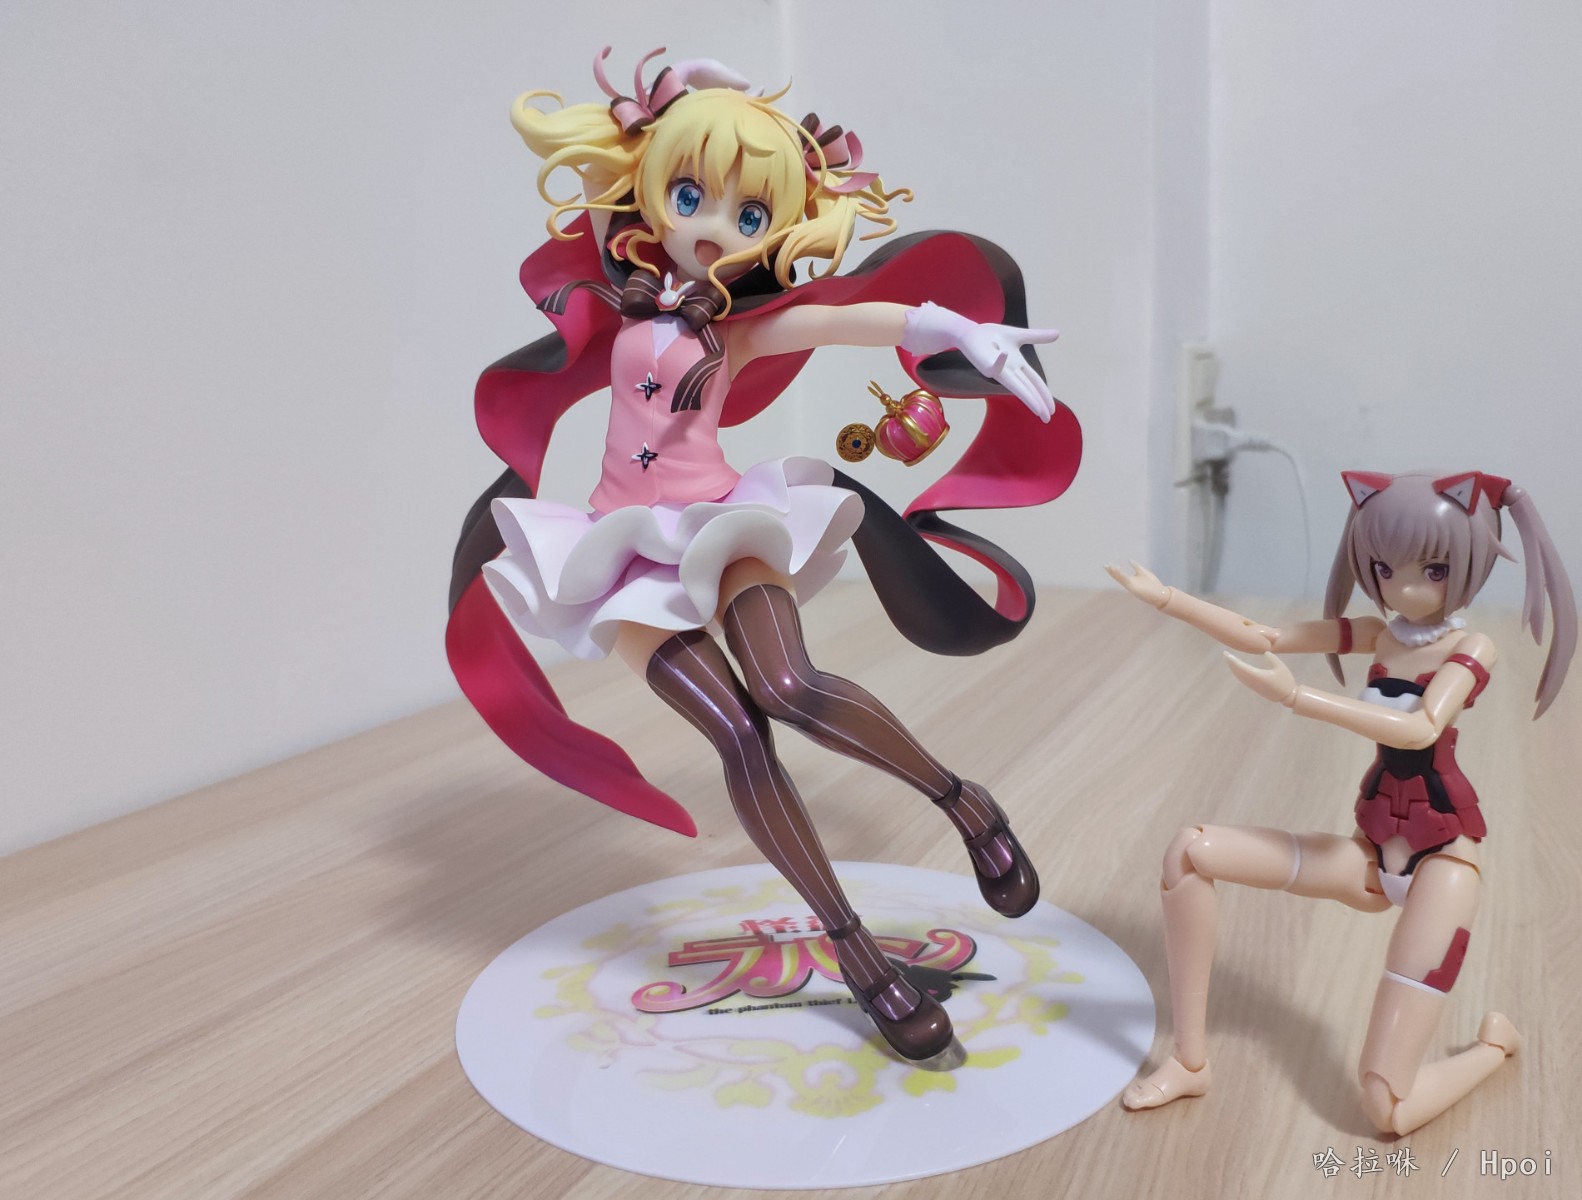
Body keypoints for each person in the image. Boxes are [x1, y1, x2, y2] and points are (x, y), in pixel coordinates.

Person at [446, 47, 1083, 1066]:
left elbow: (839, 318)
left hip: (719, 522)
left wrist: (956, 328)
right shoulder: (622, 295)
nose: (709, 226)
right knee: (739, 738)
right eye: (688, 194)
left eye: (747, 213)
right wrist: (688, 101)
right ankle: (858, 955)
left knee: (789, 687)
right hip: (620, 553)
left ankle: (963, 802)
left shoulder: (735, 328)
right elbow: (609, 201)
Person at [1108, 469, 1574, 1133]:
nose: (1404, 589)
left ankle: (1494, 1048)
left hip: (1442, 862)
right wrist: (1167, 599)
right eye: (1384, 568)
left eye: (1433, 570)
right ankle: (1189, 1061)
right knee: (1190, 851)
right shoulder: (1379, 634)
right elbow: (1266, 637)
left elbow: (1421, 727)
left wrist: (1298, 698)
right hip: (1370, 851)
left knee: (1386, 1106)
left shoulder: (1473, 648)